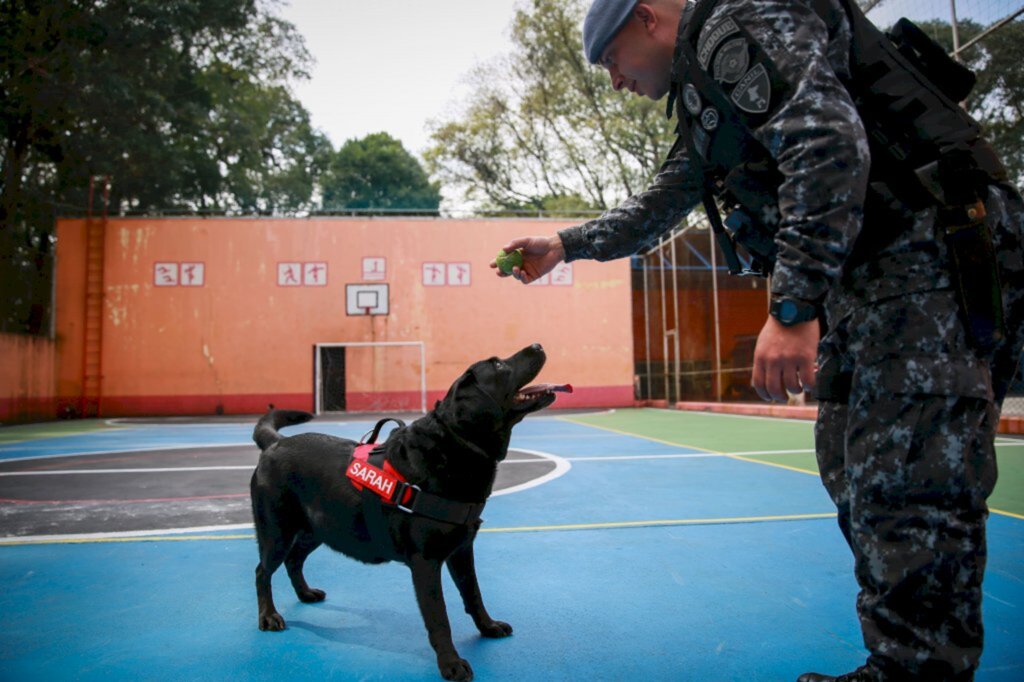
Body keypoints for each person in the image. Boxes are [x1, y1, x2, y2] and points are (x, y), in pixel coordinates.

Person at [490, 0, 1024, 680]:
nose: (614, 81)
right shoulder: (706, 86)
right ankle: (903, 660)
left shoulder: (737, 22)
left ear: (648, 18)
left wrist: (795, 302)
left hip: (931, 255)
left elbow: (826, 141)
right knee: (854, 467)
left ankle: (919, 670)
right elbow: (664, 200)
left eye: (611, 60)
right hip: (876, 276)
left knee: (907, 483)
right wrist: (565, 244)